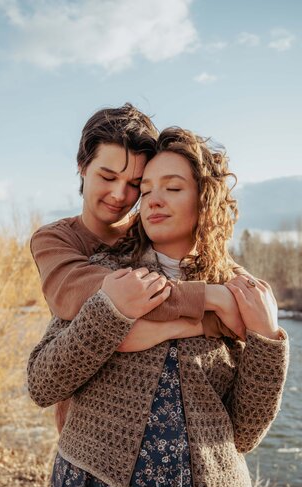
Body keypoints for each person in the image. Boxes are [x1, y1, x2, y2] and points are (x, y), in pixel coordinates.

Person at [27, 127, 289, 487]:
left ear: (205, 198)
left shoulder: (241, 293)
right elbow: (43, 383)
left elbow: (244, 433)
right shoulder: (107, 274)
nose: (152, 199)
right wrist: (115, 317)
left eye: (172, 187)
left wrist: (268, 341)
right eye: (146, 189)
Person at [30, 104, 244, 433]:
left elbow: (230, 283)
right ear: (82, 168)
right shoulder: (55, 239)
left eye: (135, 184)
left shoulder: (152, 232)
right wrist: (209, 306)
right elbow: (108, 294)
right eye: (107, 176)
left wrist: (244, 300)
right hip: (87, 428)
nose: (119, 194)